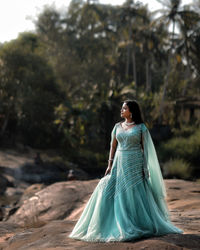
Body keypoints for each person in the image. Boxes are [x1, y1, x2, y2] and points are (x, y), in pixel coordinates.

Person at [68, 99, 183, 242]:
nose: (121, 110)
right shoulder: (117, 126)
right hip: (118, 162)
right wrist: (109, 165)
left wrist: (145, 167)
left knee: (134, 192)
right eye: (122, 108)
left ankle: (136, 222)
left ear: (131, 111)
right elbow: (113, 146)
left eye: (124, 108)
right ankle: (108, 222)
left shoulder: (141, 128)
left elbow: (145, 149)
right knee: (106, 185)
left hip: (135, 162)